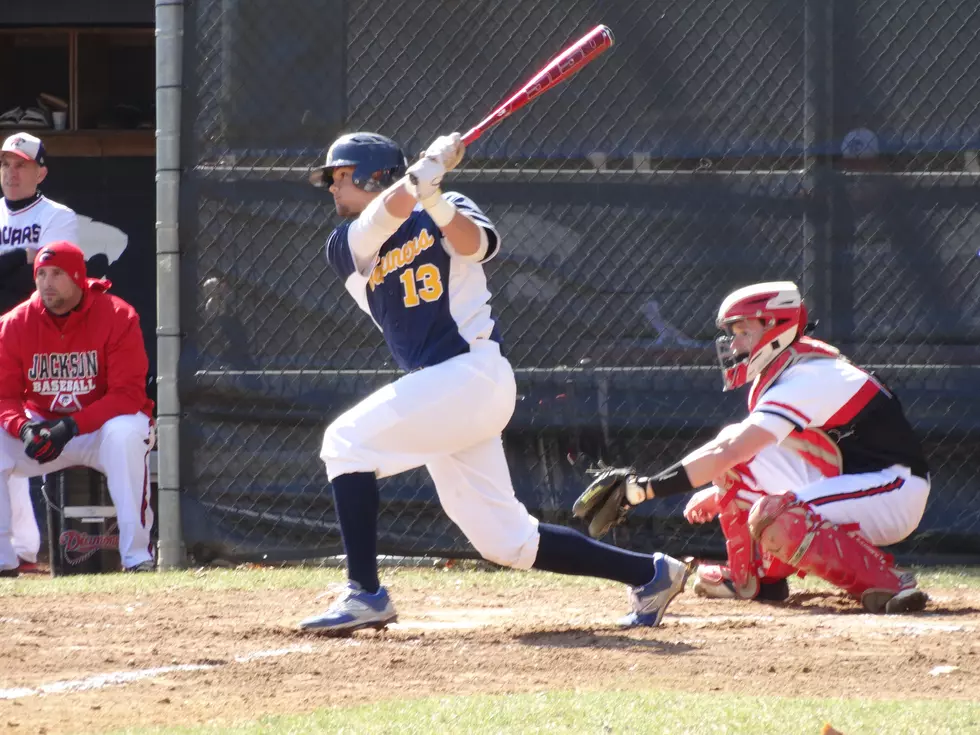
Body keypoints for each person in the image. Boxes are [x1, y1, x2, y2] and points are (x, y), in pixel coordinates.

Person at [297, 131, 692, 634]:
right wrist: (421, 176)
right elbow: (382, 217)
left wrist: (434, 196)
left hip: (472, 374)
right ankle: (651, 573)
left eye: (341, 176)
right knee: (505, 541)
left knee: (345, 443)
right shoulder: (345, 244)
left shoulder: (445, 206)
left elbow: (478, 246)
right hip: (442, 392)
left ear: (375, 175)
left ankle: (366, 593)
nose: (331, 187)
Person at [574, 281, 930, 614]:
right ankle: (756, 580)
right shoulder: (788, 370)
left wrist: (646, 490)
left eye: (745, 332)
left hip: (894, 490)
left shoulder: (810, 376)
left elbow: (732, 448)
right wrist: (723, 489)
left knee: (773, 512)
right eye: (733, 333)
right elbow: (736, 451)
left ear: (778, 326)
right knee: (733, 463)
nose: (734, 344)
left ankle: (891, 583)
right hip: (853, 480)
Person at [0, 242, 155, 577]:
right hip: (45, 432)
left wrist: (69, 426)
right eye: (41, 274)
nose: (46, 282)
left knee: (128, 432)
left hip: (100, 432)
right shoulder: (15, 323)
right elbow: (4, 397)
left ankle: (137, 556)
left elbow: (127, 396)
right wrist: (23, 428)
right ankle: (3, 558)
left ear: (78, 277)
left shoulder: (117, 315)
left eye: (57, 274)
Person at [0, 132, 79, 572]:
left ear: (41, 172)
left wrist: (14, 264)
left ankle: (28, 549)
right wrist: (18, 258)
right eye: (6, 164)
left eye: (22, 165)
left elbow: (49, 280)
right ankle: (22, 550)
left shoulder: (58, 216)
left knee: (31, 432)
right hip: (3, 335)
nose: (12, 173)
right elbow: (23, 268)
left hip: (41, 339)